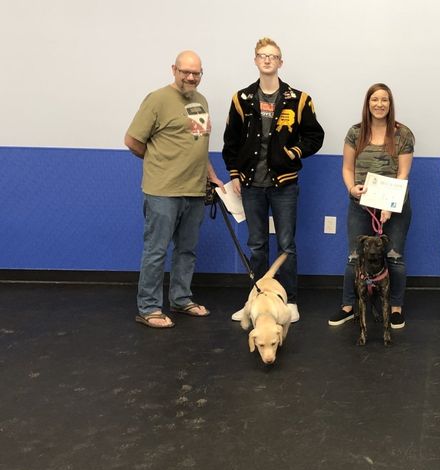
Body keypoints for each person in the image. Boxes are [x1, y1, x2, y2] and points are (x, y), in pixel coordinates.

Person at [223, 37, 325, 324]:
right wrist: (234, 174)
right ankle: (255, 300)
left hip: (284, 184)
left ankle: (289, 300)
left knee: (286, 244)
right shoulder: (241, 99)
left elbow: (315, 136)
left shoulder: (299, 99)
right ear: (255, 60)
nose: (267, 60)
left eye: (273, 56)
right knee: (256, 245)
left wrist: (293, 152)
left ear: (281, 62)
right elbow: (231, 141)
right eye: (262, 55)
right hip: (251, 185)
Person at [125, 50, 225, 329]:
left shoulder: (200, 101)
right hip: (163, 191)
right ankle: (149, 308)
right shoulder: (157, 99)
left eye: (196, 73)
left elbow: (198, 144)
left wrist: (212, 177)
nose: (191, 77)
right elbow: (132, 141)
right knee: (156, 251)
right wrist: (160, 162)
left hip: (194, 190)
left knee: (187, 250)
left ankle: (181, 299)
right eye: (185, 72)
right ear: (174, 70)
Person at [328, 83, 414, 329]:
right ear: (368, 103)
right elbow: (347, 168)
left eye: (384, 100)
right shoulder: (355, 133)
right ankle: (348, 306)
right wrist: (351, 188)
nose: (379, 104)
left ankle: (395, 308)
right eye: (374, 99)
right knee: (354, 257)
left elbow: (403, 173)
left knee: (394, 257)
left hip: (394, 206)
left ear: (390, 104)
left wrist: (389, 204)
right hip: (361, 205)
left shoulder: (403, 134)